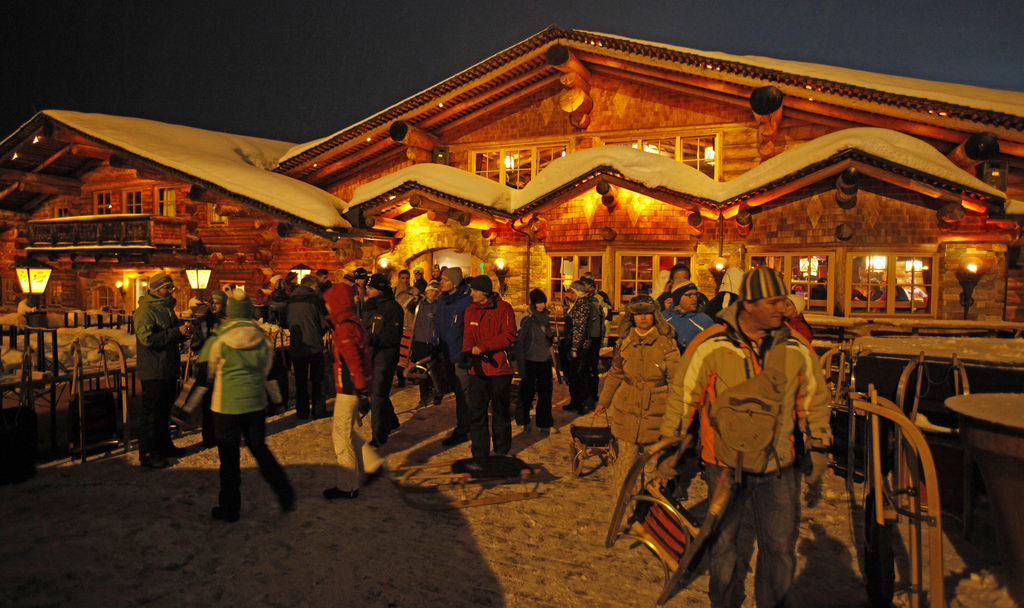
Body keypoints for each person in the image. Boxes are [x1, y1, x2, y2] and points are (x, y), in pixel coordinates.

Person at [660, 266, 832, 608]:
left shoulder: (795, 347)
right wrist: (670, 445)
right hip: (723, 461)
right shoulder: (711, 344)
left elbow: (813, 397)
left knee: (779, 548)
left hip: (778, 462)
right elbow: (684, 394)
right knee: (723, 543)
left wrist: (819, 444)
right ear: (749, 305)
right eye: (774, 302)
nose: (783, 309)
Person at [198, 290, 294, 522]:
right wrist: (278, 401)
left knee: (229, 460)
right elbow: (270, 374)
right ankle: (284, 490)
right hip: (255, 406)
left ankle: (230, 508)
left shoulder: (217, 340)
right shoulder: (262, 339)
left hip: (225, 407)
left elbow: (202, 378)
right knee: (259, 449)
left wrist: (181, 410)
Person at [595, 294, 680, 494]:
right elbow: (615, 372)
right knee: (625, 465)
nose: (643, 318)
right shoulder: (624, 342)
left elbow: (676, 380)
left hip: (657, 410)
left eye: (647, 313)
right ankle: (622, 515)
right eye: (638, 314)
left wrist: (677, 413)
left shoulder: (665, 343)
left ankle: (647, 513)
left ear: (655, 316)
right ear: (631, 317)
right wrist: (604, 400)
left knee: (652, 466)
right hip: (627, 408)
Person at [321, 283, 385, 500]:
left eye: (329, 302)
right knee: (347, 430)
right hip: (351, 387)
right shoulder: (349, 322)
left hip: (348, 388)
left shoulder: (345, 327)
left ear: (338, 303)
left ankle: (347, 486)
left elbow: (354, 361)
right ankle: (372, 463)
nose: (327, 306)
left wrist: (359, 389)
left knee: (340, 435)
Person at [134, 272, 193, 469]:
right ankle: (148, 453)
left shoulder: (167, 308)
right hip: (153, 369)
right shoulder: (146, 310)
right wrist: (177, 332)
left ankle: (164, 446)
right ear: (156, 289)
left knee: (164, 410)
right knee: (152, 412)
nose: (171, 290)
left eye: (171, 287)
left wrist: (183, 332)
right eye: (167, 287)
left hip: (167, 366)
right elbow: (147, 339)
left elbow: (170, 333)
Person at [461, 275, 516, 458]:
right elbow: (469, 335)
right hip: (477, 369)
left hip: (499, 368)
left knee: (500, 412)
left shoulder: (504, 308)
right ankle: (480, 453)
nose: (471, 294)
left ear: (484, 292)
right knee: (477, 413)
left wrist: (483, 347)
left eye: (474, 290)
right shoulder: (470, 311)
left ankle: (501, 452)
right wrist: (467, 353)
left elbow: (508, 335)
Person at [362, 272, 403, 446]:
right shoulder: (369, 305)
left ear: (380, 289)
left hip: (385, 356)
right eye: (367, 286)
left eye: (371, 287)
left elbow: (393, 337)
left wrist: (372, 338)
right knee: (377, 392)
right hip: (369, 354)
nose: (367, 289)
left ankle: (379, 435)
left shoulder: (393, 308)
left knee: (377, 394)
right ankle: (392, 421)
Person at [433, 267, 473, 447]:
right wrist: (435, 344)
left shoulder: (467, 301)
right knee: (457, 392)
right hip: (446, 353)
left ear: (455, 283)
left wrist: (467, 351)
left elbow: (470, 329)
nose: (440, 282)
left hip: (460, 354)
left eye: (445, 279)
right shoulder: (442, 300)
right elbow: (438, 324)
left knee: (464, 395)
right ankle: (465, 424)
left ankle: (464, 429)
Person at [287, 274, 329, 420]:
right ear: (311, 285)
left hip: (297, 345)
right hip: (314, 345)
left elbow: (288, 321)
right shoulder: (315, 301)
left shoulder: (291, 299)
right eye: (317, 286)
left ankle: (302, 411)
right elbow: (324, 323)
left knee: (300, 380)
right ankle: (318, 410)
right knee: (317, 379)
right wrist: (320, 331)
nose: (318, 289)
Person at [515, 288, 554, 433]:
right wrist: (520, 361)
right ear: (533, 303)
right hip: (529, 359)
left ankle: (544, 423)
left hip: (544, 359)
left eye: (543, 302)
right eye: (539, 302)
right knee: (527, 392)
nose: (542, 305)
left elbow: (549, 337)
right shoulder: (525, 318)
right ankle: (523, 420)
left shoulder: (546, 317)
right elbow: (519, 341)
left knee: (545, 393)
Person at [195, 289, 228, 447]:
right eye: (212, 303)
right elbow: (196, 344)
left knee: (221, 401)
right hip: (207, 365)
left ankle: (221, 434)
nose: (214, 306)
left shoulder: (228, 322)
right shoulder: (203, 321)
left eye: (217, 303)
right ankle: (208, 437)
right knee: (208, 402)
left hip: (223, 366)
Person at [560, 280, 597, 414]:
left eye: (572, 292)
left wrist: (574, 348)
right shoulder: (576, 303)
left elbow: (579, 328)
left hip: (579, 347)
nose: (570, 294)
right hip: (573, 344)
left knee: (580, 375)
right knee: (573, 375)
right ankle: (575, 401)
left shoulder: (583, 305)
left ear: (578, 292)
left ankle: (585, 403)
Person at [407, 280, 442, 407]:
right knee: (421, 370)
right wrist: (416, 297)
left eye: (436, 291)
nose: (433, 293)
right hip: (420, 339)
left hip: (434, 340)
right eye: (431, 290)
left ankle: (438, 393)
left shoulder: (440, 304)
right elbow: (407, 306)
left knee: (435, 369)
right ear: (426, 291)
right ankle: (424, 395)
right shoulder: (420, 304)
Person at [663, 282, 715, 353]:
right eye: (690, 295)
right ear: (678, 297)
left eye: (696, 295)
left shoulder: (704, 320)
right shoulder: (662, 318)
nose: (695, 299)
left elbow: (713, 349)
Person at [393, 268, 415, 389]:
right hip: (398, 326)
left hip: (411, 326)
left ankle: (410, 375)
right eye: (403, 278)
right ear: (399, 278)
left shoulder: (415, 291)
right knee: (399, 354)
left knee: (408, 353)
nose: (405, 280)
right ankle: (401, 378)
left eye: (407, 278)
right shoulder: (394, 291)